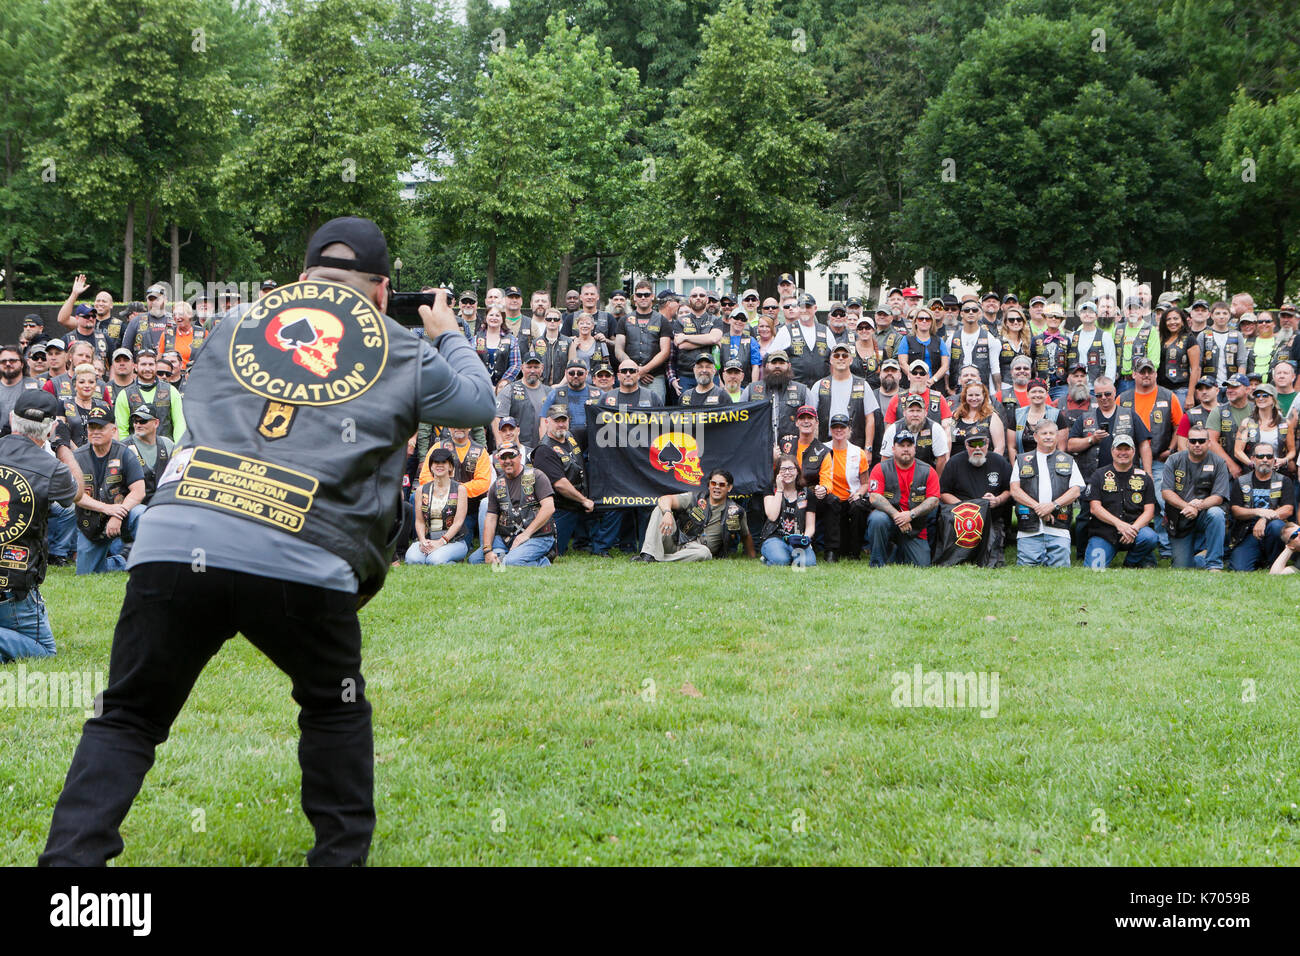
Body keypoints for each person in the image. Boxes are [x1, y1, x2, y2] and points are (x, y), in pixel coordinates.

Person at [40, 216, 497, 867]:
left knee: (128, 716)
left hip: (178, 533)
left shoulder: (235, 325)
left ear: (303, 278)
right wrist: (446, 330)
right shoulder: (401, 346)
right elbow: (478, 404)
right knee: (333, 708)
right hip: (300, 551)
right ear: (381, 289)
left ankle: (68, 877)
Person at [0, 391, 82, 663]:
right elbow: (77, 493)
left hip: (12, 582)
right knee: (44, 652)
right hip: (15, 586)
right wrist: (63, 446)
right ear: (51, 429)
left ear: (13, 419)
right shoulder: (53, 468)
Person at [72, 404, 147, 575]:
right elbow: (75, 495)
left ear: (113, 430)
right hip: (90, 522)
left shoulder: (125, 453)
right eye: (92, 427)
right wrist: (106, 508)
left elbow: (139, 491)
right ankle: (123, 560)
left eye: (101, 427)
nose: (95, 431)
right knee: (86, 574)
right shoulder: (76, 457)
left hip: (124, 515)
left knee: (143, 514)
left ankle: (148, 563)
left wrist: (117, 514)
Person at [633, 468, 754, 562]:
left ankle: (657, 559)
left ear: (729, 488)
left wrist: (751, 557)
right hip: (676, 541)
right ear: (709, 485)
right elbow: (665, 499)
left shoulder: (735, 511)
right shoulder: (695, 498)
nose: (717, 487)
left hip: (696, 550)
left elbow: (745, 534)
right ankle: (648, 555)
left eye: (721, 485)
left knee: (704, 554)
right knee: (659, 509)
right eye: (713, 483)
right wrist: (667, 513)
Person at [1009, 419, 1084, 567]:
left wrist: (1053, 505)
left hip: (1059, 529)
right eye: (1044, 433)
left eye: (1051, 433)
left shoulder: (1068, 460)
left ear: (1057, 436)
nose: (1048, 436)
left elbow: (1076, 491)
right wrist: (1039, 508)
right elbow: (1015, 490)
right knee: (1026, 573)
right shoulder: (1022, 460)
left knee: (1059, 573)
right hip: (1029, 530)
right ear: (1036, 437)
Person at [865, 427, 940, 567]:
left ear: (915, 448)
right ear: (893, 449)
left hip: (914, 527)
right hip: (889, 522)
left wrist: (910, 515)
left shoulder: (928, 471)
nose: (905, 449)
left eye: (909, 445)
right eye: (901, 445)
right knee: (877, 518)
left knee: (922, 565)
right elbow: (874, 497)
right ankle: (877, 563)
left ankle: (895, 552)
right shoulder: (880, 468)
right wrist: (897, 516)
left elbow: (934, 500)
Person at [475, 443, 557, 567]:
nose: (507, 461)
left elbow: (549, 507)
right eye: (503, 457)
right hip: (507, 539)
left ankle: (543, 561)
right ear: (498, 460)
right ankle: (507, 555)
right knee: (476, 560)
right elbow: (491, 518)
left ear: (520, 456)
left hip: (537, 536)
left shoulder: (537, 476)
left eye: (511, 456)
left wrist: (526, 534)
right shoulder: (497, 486)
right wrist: (487, 550)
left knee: (510, 562)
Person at [1083, 434, 1158, 569]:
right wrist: (1119, 525)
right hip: (1105, 533)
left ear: (1133, 452)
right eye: (1119, 449)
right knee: (1094, 568)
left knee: (1150, 537)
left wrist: (1132, 529)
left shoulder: (1144, 478)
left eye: (1127, 449)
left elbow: (1150, 511)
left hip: (1135, 531)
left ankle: (1130, 563)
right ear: (1112, 451)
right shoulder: (1099, 475)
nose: (1123, 453)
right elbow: (1094, 508)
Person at [1161, 425, 1230, 570]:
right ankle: (1201, 557)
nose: (1197, 444)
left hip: (1205, 514)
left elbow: (1218, 497)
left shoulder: (1219, 462)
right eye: (1193, 441)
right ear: (1187, 443)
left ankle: (1214, 565)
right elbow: (1166, 492)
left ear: (1209, 443)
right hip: (1180, 517)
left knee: (1216, 513)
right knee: (1182, 568)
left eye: (1201, 441)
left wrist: (1199, 506)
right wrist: (1187, 506)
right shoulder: (1173, 460)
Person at [939, 432, 1012, 565]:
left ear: (988, 444)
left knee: (992, 562)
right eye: (973, 444)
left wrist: (998, 500)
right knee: (956, 560)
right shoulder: (954, 463)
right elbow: (943, 493)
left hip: (991, 519)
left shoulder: (999, 462)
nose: (977, 448)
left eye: (981, 443)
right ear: (966, 445)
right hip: (960, 520)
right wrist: (966, 507)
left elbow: (1010, 490)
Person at [1227, 442, 1296, 571]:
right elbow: (1235, 510)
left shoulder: (1284, 480)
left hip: (1273, 531)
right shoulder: (1241, 481)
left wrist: (1265, 519)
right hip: (1247, 533)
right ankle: (1259, 559)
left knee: (1277, 526)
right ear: (1253, 459)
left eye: (1269, 456)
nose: (1265, 459)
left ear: (1274, 460)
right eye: (1260, 456)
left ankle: (1273, 562)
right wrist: (1258, 512)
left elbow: (1288, 509)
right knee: (1239, 569)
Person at [817, 413, 872, 561]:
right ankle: (830, 551)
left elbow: (865, 483)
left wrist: (859, 494)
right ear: (830, 430)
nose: (839, 430)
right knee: (830, 502)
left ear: (849, 430)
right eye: (835, 427)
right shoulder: (822, 449)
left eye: (843, 427)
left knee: (859, 506)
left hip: (850, 498)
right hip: (830, 500)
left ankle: (855, 552)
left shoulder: (858, 452)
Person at [404, 447, 470, 565]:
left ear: (450, 466)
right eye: (436, 462)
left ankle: (452, 560)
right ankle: (445, 558)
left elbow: (458, 522)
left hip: (454, 541)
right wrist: (423, 541)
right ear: (431, 466)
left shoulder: (460, 489)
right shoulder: (421, 490)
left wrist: (441, 542)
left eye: (443, 462)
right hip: (428, 539)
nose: (439, 465)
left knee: (434, 560)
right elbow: (419, 522)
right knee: (412, 560)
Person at [812, 343, 878, 450]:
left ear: (851, 360)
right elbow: (812, 418)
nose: (841, 358)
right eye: (837, 355)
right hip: (825, 445)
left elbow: (870, 419)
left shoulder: (863, 385)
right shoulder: (819, 385)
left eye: (845, 355)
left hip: (855, 446)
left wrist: (868, 448)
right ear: (831, 360)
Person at [613, 281, 671, 401]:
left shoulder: (662, 320)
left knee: (656, 415)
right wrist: (635, 370)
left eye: (646, 294)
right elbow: (618, 350)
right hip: (628, 376)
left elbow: (665, 351)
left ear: (652, 296)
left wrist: (644, 370)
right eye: (639, 295)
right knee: (626, 413)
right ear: (634, 297)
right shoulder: (624, 320)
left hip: (655, 377)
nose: (643, 297)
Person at [113, 349, 185, 441]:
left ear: (156, 366)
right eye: (143, 364)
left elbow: (179, 424)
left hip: (166, 450)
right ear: (135, 366)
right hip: (135, 451)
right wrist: (127, 452)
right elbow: (122, 430)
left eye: (151, 364)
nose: (147, 369)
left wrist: (176, 450)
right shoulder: (125, 395)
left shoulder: (171, 391)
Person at [760, 456, 815, 567]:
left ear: (797, 471)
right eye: (783, 469)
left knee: (807, 563)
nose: (787, 472)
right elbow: (772, 516)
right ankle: (769, 556)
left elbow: (810, 526)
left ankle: (789, 555)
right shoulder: (771, 489)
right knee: (781, 561)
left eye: (791, 468)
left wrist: (805, 539)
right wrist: (779, 490)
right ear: (777, 472)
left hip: (797, 538)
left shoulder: (807, 494)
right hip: (775, 537)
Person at [1233, 383, 1294, 476]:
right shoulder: (1246, 423)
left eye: (1265, 395)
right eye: (1257, 395)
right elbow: (1237, 451)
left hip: (1278, 473)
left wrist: (1284, 460)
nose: (1260, 398)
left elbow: (1292, 451)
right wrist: (1252, 464)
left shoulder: (1285, 423)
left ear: (1273, 399)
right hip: (1253, 474)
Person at [947, 300, 1001, 397]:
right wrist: (948, 388)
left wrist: (998, 391)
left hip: (983, 391)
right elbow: (947, 367)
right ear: (961, 314)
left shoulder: (989, 338)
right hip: (958, 390)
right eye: (967, 310)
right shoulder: (952, 338)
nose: (971, 312)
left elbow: (995, 368)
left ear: (979, 313)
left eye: (974, 310)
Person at [122, 404, 173, 506]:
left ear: (156, 423)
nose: (138, 425)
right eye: (135, 421)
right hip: (136, 506)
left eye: (143, 421)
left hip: (164, 503)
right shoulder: (124, 447)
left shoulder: (167, 444)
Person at [494, 355, 548, 448]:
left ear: (542, 368)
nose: (532, 370)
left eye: (536, 367)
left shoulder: (549, 392)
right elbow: (497, 418)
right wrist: (500, 445)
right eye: (529, 367)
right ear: (522, 367)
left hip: (542, 449)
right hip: (516, 449)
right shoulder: (510, 390)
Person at [1067, 301, 1117, 390]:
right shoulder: (1072, 336)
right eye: (1084, 312)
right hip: (1077, 387)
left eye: (1091, 312)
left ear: (1096, 315)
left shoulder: (1105, 336)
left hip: (1097, 388)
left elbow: (1111, 363)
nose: (1087, 314)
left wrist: (1107, 385)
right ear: (1080, 315)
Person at [471, 305, 521, 392]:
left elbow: (516, 364)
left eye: (497, 315)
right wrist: (485, 384)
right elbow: (471, 362)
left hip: (505, 389)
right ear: (486, 317)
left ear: (502, 319)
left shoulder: (511, 339)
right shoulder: (477, 338)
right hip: (480, 387)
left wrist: (502, 384)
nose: (494, 318)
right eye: (491, 315)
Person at [1157, 307, 1200, 405]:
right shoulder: (1161, 339)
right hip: (1161, 389)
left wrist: (1190, 395)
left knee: (1179, 420)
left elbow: (1195, 369)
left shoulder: (1189, 339)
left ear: (1182, 320)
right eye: (1168, 319)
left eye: (1176, 319)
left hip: (1181, 390)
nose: (1172, 322)